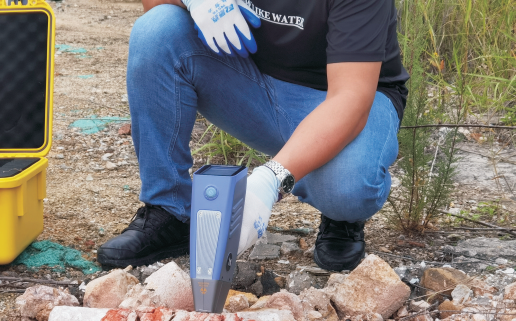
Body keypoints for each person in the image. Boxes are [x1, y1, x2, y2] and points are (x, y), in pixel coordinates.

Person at [97, 0, 409, 271]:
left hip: (343, 96)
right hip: (254, 81)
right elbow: (154, 8)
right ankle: (169, 211)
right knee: (157, 29)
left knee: (347, 188)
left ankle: (339, 214)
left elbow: (350, 98)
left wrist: (271, 180)